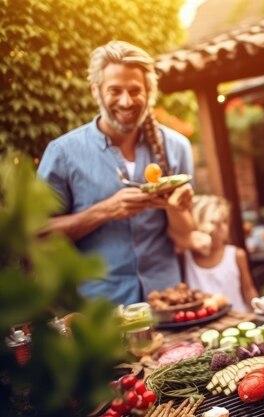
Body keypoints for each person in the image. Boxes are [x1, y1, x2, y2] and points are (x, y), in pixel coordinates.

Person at [37, 40, 194, 306]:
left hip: (168, 303)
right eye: (115, 90)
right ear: (95, 91)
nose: (126, 101)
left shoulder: (176, 147)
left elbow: (185, 238)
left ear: (149, 92)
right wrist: (105, 210)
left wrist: (176, 208)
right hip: (98, 314)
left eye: (135, 91)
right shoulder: (62, 153)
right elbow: (37, 234)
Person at [177, 195, 259, 312]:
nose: (223, 228)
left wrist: (258, 312)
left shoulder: (236, 255)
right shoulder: (186, 257)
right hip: (203, 325)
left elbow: (248, 290)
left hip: (238, 320)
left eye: (225, 221)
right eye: (218, 223)